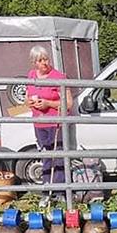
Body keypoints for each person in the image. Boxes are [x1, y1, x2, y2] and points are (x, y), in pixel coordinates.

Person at [25, 46, 72, 207]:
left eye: (46, 59)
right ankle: (47, 191)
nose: (44, 63)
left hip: (55, 122)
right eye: (40, 60)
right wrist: (31, 103)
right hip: (39, 123)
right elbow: (26, 98)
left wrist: (47, 103)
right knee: (45, 156)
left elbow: (68, 103)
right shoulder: (31, 76)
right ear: (34, 63)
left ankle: (60, 192)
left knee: (58, 157)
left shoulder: (59, 77)